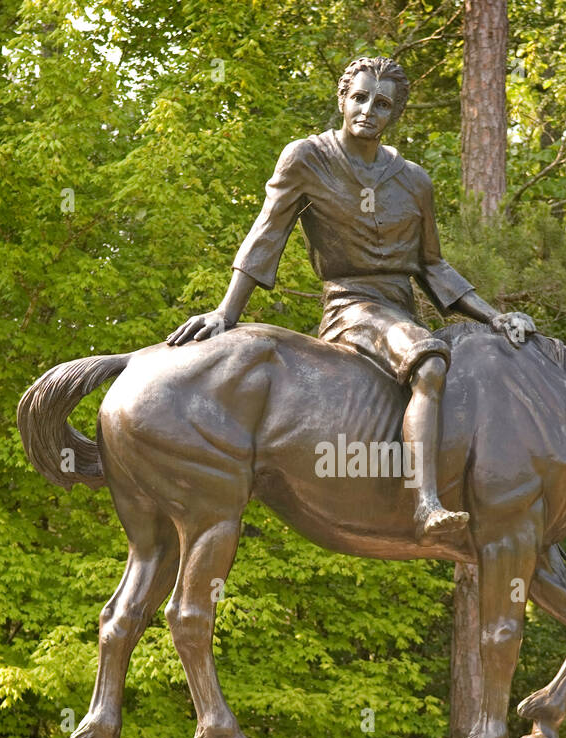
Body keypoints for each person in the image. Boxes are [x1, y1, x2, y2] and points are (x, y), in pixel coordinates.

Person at [168, 56, 535, 539]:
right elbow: (265, 236)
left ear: (394, 114)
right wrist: (226, 313)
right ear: (342, 99)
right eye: (359, 97)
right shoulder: (306, 158)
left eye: (381, 103)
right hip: (351, 308)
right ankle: (425, 504)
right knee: (429, 364)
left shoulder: (414, 180)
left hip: (400, 311)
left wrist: (494, 316)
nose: (367, 109)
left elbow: (432, 265)